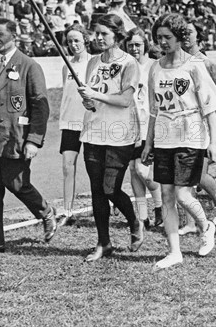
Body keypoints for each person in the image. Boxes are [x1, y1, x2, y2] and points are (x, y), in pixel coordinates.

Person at [0, 18, 58, 256]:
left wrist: (34, 140)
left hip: (15, 137)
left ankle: (46, 212)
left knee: (16, 182)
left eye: (0, 35)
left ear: (13, 36)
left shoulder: (29, 66)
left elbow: (41, 107)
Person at [141, 13, 216, 269]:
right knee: (166, 194)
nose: (162, 42)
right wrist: (148, 143)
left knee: (183, 194)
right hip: (164, 137)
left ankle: (206, 226)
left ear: (180, 38)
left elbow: (210, 107)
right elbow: (154, 110)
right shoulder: (155, 68)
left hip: (191, 136)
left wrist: (213, 141)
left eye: (168, 37)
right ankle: (174, 251)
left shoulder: (195, 65)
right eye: (159, 38)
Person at [78, 14, 143, 262]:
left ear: (117, 35)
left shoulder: (129, 64)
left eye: (104, 33)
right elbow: (93, 101)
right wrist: (88, 100)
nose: (98, 38)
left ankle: (135, 220)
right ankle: (103, 243)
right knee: (96, 190)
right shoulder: (93, 62)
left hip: (120, 135)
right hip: (94, 132)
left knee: (110, 188)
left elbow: (125, 100)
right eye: (96, 33)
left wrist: (95, 94)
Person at [178, 21, 216, 236]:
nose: (186, 37)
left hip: (204, 126)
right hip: (181, 126)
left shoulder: (207, 64)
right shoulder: (176, 61)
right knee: (184, 179)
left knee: (197, 174)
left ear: (199, 35)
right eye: (182, 33)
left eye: (190, 32)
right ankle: (190, 223)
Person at [124, 28, 163, 230]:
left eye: (138, 44)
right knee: (133, 170)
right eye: (130, 45)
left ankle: (160, 207)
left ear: (146, 45)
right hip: (129, 125)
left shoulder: (154, 66)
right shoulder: (126, 66)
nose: (134, 48)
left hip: (149, 124)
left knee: (143, 170)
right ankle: (142, 216)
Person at [58, 26, 93, 226]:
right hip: (70, 123)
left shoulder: (94, 63)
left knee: (93, 168)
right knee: (67, 166)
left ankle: (101, 205)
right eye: (70, 41)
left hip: (89, 122)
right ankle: (67, 212)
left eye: (77, 40)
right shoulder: (66, 66)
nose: (73, 45)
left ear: (85, 40)